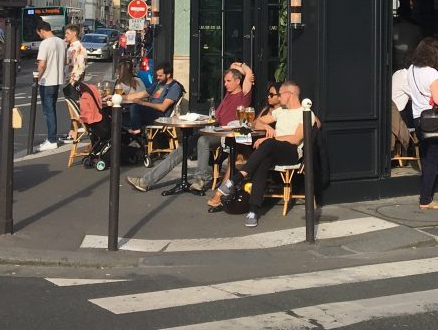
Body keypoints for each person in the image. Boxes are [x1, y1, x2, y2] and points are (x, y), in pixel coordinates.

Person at [127, 62, 254, 194]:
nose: (225, 84)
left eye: (228, 81)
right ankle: (146, 181)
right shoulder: (229, 93)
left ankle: (202, 179)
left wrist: (242, 65)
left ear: (238, 81)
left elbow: (248, 73)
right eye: (225, 81)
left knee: (202, 141)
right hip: (213, 129)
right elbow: (233, 65)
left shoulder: (243, 95)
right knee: (183, 147)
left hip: (227, 134)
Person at [215, 80, 306, 228]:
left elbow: (296, 139)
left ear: (290, 95)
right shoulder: (281, 111)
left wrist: (270, 138)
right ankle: (253, 211)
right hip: (274, 149)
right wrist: (265, 127)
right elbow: (256, 123)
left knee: (268, 143)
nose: (278, 97)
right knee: (263, 162)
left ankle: (235, 179)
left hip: (291, 152)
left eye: (281, 94)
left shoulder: (304, 112)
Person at [404, 37, 438, 211]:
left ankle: (425, 194)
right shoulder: (432, 73)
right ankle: (426, 199)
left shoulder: (411, 70)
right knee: (433, 159)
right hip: (434, 120)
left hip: (417, 117)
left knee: (425, 156)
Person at [35, 20, 68, 151]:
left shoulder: (45, 43)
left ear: (41, 30)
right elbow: (65, 61)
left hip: (47, 80)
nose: (39, 36)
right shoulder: (61, 42)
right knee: (52, 110)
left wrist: (38, 77)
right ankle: (51, 137)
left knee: (48, 111)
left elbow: (42, 64)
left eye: (39, 34)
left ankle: (51, 139)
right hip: (57, 79)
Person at [125, 61, 183, 128]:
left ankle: (137, 132)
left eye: (160, 76)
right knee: (124, 112)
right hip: (150, 111)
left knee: (135, 107)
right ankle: (131, 134)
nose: (157, 78)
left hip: (160, 116)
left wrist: (142, 103)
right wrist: (118, 97)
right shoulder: (158, 84)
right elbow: (139, 95)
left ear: (168, 75)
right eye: (157, 75)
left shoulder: (174, 87)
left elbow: (163, 107)